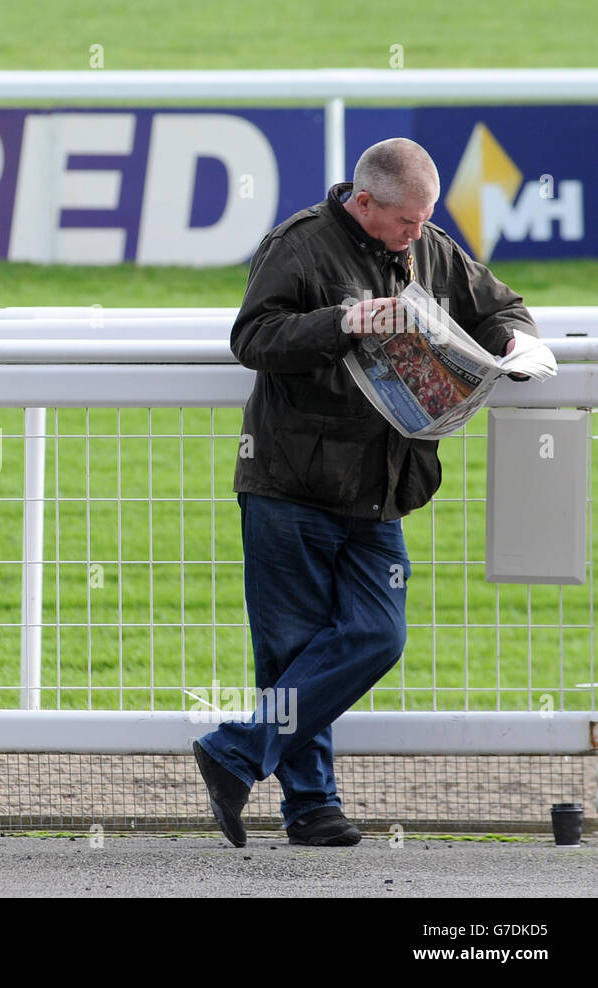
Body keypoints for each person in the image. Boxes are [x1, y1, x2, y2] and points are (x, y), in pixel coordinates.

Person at [192, 138, 538, 847]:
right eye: (407, 221)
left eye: (426, 219)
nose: (419, 234)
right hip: (290, 482)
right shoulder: (299, 245)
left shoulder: (432, 248)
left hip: (379, 488)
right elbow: (253, 337)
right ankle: (313, 808)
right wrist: (343, 323)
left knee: (378, 635)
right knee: (291, 655)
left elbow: (503, 306)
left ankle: (234, 753)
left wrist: (512, 343)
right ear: (365, 201)